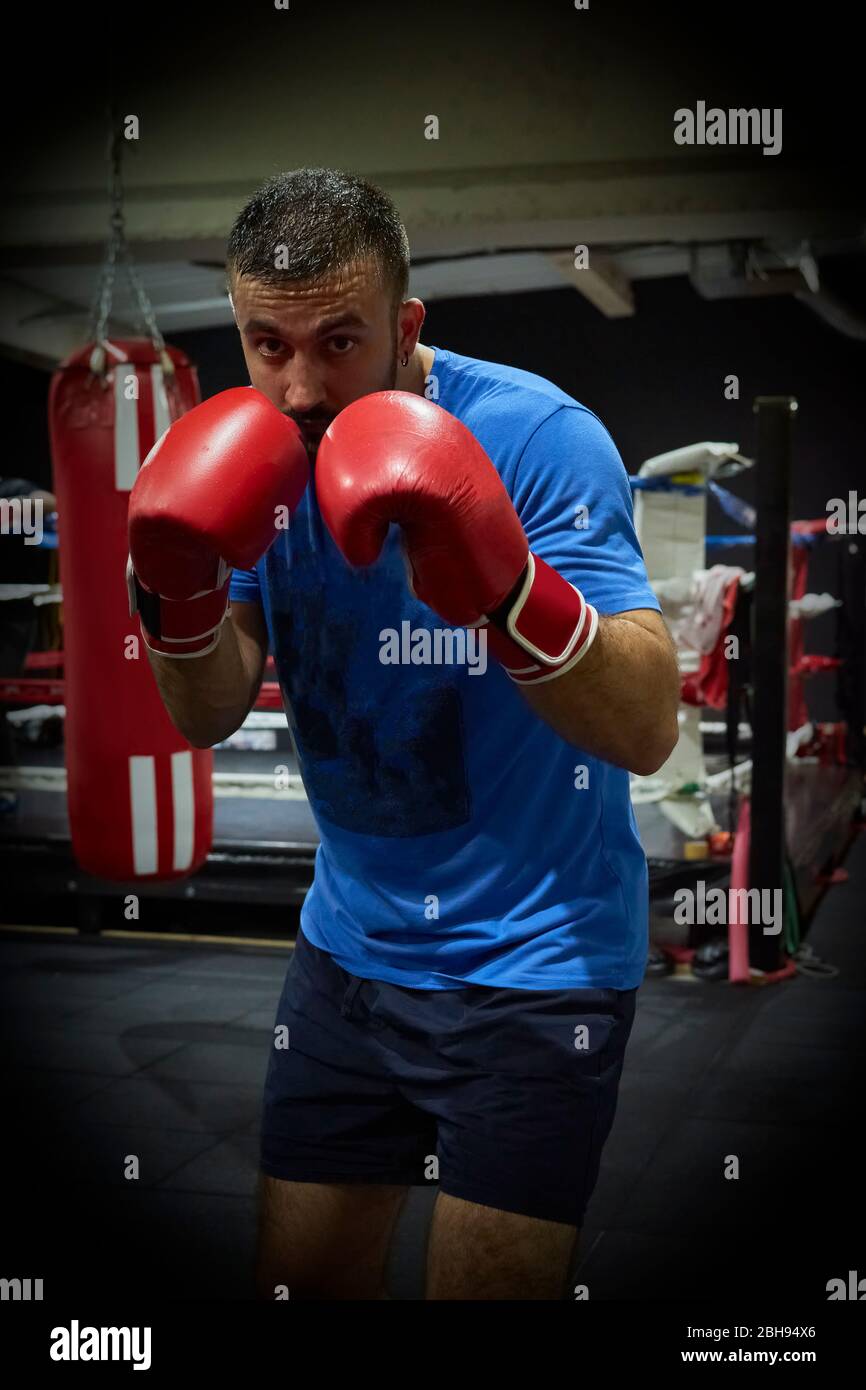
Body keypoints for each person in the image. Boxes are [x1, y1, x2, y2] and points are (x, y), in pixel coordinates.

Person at [127, 167, 680, 1300]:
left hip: (537, 968)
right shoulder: (251, 456)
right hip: (346, 962)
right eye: (264, 344)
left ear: (404, 323)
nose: (295, 384)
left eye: (337, 341)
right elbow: (208, 709)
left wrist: (504, 585)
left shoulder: (533, 438)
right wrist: (177, 596)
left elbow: (645, 726)